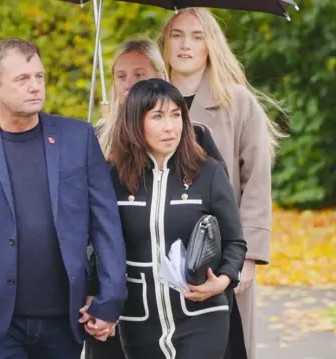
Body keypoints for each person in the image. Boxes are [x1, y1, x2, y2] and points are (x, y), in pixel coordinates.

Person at [0, 37, 127, 359]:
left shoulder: (78, 138)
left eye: (39, 76)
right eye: (22, 79)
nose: (35, 86)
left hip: (67, 320)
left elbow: (106, 224)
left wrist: (110, 298)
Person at [83, 37, 228, 359]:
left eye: (139, 75)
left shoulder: (195, 136)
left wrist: (226, 269)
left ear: (160, 78)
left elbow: (219, 210)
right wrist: (95, 289)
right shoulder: (93, 139)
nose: (129, 84)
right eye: (121, 76)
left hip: (183, 297)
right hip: (116, 296)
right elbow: (88, 226)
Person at [158, 8, 286, 359]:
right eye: (177, 35)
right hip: (158, 251)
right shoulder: (145, 102)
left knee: (225, 346)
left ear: (211, 45)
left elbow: (257, 182)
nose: (186, 45)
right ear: (165, 43)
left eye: (197, 36)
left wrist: (247, 258)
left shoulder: (237, 103)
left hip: (219, 253)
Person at [102, 78, 247, 358]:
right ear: (135, 122)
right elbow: (98, 244)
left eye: (176, 115)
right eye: (157, 116)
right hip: (139, 319)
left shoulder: (209, 173)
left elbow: (235, 241)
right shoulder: (113, 178)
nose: (170, 127)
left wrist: (224, 279)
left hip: (203, 314)